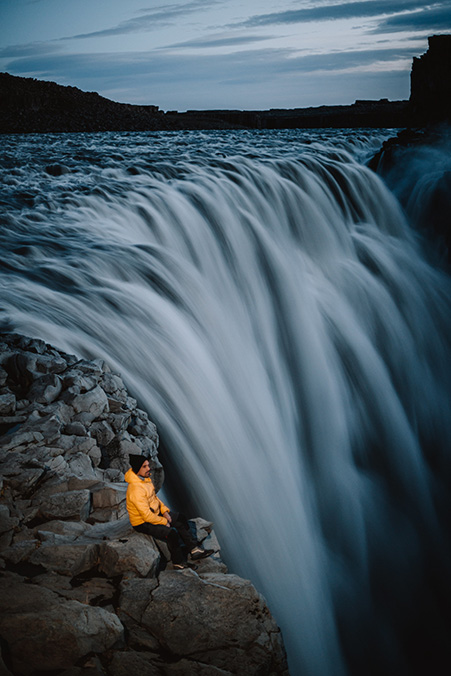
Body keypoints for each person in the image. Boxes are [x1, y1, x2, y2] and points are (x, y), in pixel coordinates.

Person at [125, 453, 214, 570]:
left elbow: (154, 499)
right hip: (142, 523)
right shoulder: (135, 490)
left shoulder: (144, 480)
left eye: (148, 465)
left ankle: (194, 549)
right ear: (137, 469)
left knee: (180, 518)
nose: (148, 468)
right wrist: (163, 521)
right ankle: (178, 563)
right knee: (171, 533)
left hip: (154, 513)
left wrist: (165, 511)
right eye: (144, 466)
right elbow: (146, 516)